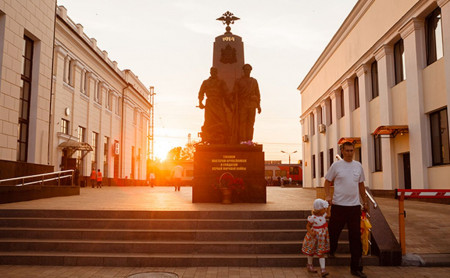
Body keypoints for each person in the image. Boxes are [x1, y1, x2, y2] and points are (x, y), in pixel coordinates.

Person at [324, 141, 369, 278]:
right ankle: (331, 249)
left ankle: (356, 268)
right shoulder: (336, 166)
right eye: (347, 150)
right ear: (342, 151)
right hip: (338, 206)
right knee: (333, 232)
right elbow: (327, 182)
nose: (350, 153)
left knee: (355, 238)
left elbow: (361, 185)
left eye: (352, 150)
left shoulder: (358, 166)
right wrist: (327, 196)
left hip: (354, 207)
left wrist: (364, 201)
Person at [231, 64, 261, 145]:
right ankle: (242, 140)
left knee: (251, 123)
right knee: (242, 123)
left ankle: (249, 140)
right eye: (245, 69)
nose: (247, 71)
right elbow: (234, 93)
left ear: (250, 71)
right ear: (243, 71)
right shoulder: (239, 81)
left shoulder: (254, 81)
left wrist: (258, 106)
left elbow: (258, 94)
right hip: (242, 104)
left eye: (248, 70)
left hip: (252, 105)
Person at [198, 67, 229, 144]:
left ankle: (220, 135)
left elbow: (226, 93)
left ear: (217, 72)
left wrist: (231, 100)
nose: (213, 73)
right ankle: (208, 137)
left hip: (218, 102)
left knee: (220, 118)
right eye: (212, 71)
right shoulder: (206, 82)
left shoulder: (221, 82)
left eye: (215, 71)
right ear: (210, 72)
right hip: (209, 103)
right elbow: (201, 92)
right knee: (208, 119)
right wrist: (200, 102)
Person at [302, 198, 330, 277]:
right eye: (324, 208)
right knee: (311, 252)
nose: (325, 209)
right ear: (319, 209)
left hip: (321, 239)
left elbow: (329, 214)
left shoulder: (323, 215)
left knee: (321, 253)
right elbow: (308, 226)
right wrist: (311, 232)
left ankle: (323, 269)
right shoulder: (312, 218)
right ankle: (309, 265)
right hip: (314, 238)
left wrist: (329, 205)